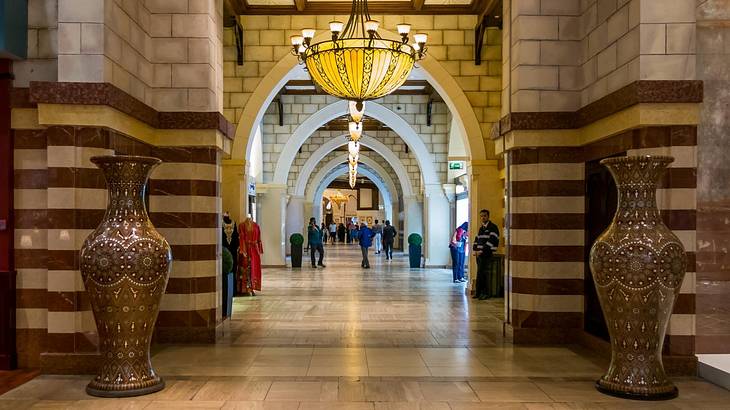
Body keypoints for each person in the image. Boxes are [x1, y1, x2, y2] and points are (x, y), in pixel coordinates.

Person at [473, 210, 499, 300]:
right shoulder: (481, 228)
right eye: (481, 216)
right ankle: (478, 292)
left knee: (484, 273)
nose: (483, 217)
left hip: (487, 254)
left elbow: (492, 241)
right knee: (479, 273)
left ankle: (485, 293)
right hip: (479, 254)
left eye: (484, 216)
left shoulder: (493, 227)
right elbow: (476, 239)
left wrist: (482, 250)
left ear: (488, 216)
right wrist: (475, 250)